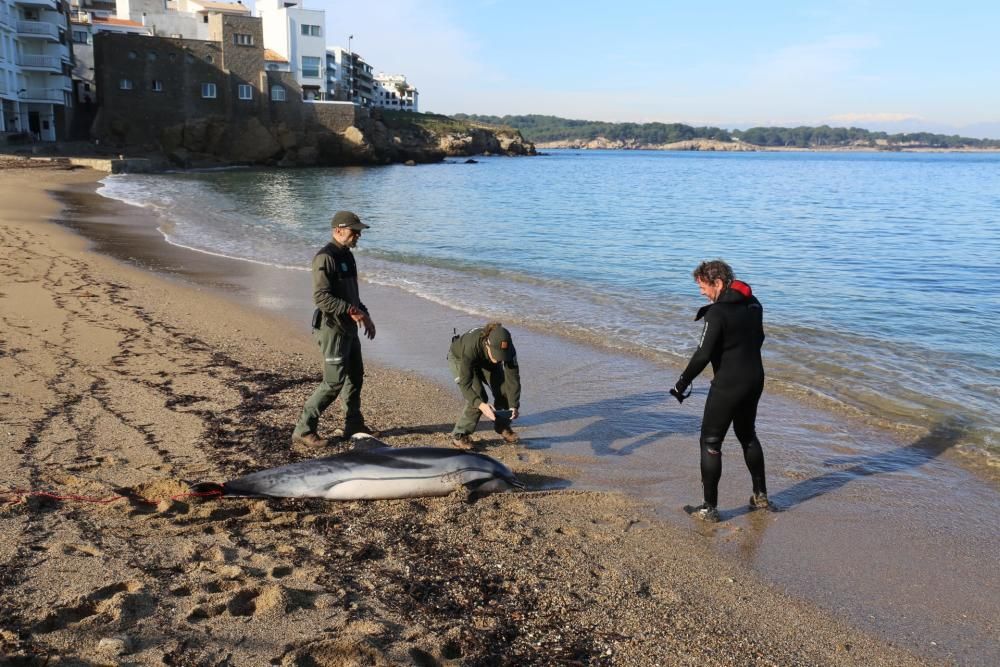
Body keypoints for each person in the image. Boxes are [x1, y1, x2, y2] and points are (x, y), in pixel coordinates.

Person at [673, 260, 770, 522]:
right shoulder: (754, 304)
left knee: (711, 442)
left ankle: (709, 509)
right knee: (748, 435)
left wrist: (682, 382)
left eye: (703, 287)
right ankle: (760, 496)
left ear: (717, 283)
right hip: (755, 380)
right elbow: (758, 339)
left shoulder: (716, 313)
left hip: (728, 384)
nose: (702, 293)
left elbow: (703, 353)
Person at [291, 211, 376, 447]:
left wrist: (365, 315)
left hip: (349, 328)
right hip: (332, 329)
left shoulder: (347, 256)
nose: (358, 235)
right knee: (333, 382)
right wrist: (353, 311)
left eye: (358, 231)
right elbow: (321, 298)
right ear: (338, 230)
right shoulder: (324, 258)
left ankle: (354, 424)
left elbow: (352, 295)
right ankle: (304, 429)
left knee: (355, 377)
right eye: (353, 231)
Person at [447, 323, 521, 448]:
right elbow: (466, 385)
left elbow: (513, 379)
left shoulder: (508, 350)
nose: (499, 360)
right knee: (478, 397)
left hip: (485, 360)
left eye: (502, 356)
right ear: (487, 343)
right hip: (460, 359)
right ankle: (459, 435)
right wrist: (481, 405)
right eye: (497, 354)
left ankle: (502, 425)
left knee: (505, 391)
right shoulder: (471, 346)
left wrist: (514, 405)